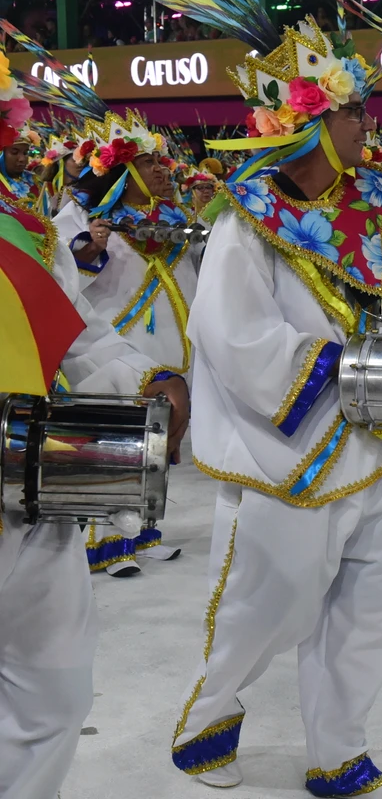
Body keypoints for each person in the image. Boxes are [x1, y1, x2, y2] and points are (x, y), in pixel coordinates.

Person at [157, 9, 382, 796]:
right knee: (265, 608)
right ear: (309, 121)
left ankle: (337, 749)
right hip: (289, 452)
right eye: (352, 110)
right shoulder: (245, 221)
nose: (365, 122)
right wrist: (346, 370)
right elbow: (233, 338)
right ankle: (208, 716)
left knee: (371, 611)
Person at [0, 61, 191, 798]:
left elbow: (74, 333)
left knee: (57, 693)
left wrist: (149, 379)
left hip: (29, 480)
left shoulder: (23, 227)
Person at [54, 111, 197, 573]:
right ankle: (103, 543)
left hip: (160, 343)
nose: (162, 170)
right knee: (116, 442)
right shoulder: (81, 214)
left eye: (161, 162)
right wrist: (90, 248)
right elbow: (62, 270)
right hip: (114, 342)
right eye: (150, 162)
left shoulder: (168, 214)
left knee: (158, 442)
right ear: (124, 170)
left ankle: (144, 533)